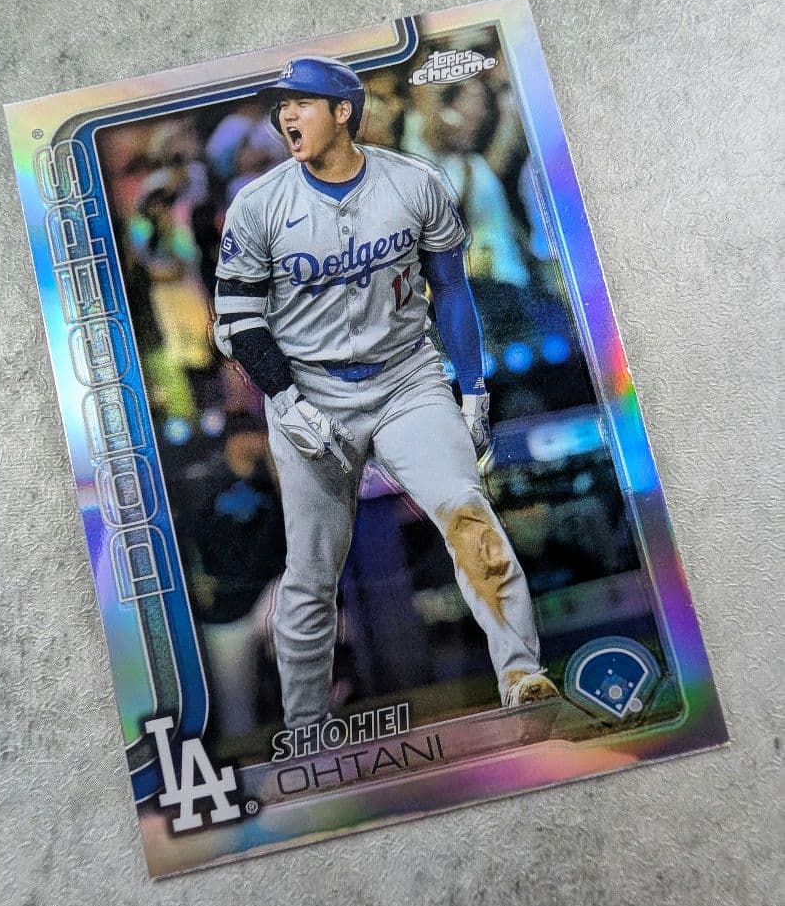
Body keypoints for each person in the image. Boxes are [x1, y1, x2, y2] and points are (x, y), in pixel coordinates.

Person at [213, 55, 560, 728]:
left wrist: (472, 390)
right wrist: (285, 400)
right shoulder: (257, 205)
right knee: (311, 574)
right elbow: (237, 320)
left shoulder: (414, 182)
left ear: (343, 111)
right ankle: (306, 727)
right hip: (308, 388)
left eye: (301, 102)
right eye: (282, 105)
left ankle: (522, 674)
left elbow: (451, 287)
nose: (287, 115)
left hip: (406, 379)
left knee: (468, 513)